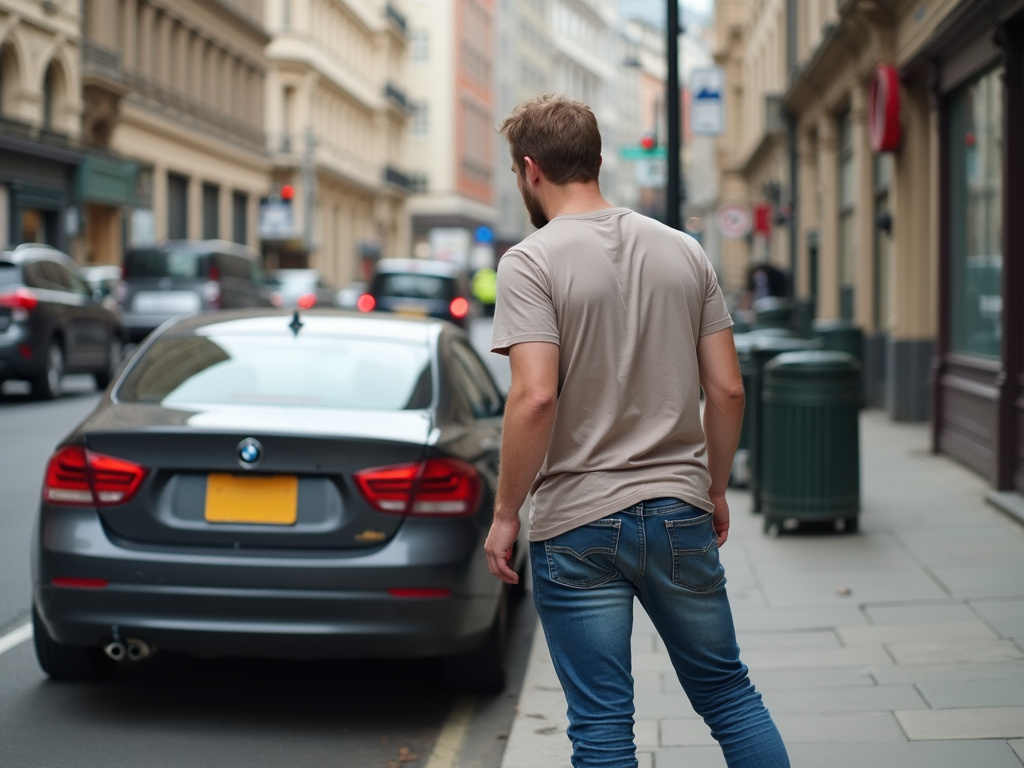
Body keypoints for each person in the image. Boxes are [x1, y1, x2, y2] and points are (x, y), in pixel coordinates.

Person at [484, 93, 790, 768]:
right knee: (730, 695)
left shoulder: (530, 262)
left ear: (530, 169)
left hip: (578, 522)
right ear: (597, 161)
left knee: (601, 726)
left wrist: (507, 513)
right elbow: (728, 388)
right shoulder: (684, 251)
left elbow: (535, 399)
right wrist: (711, 488)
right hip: (679, 511)